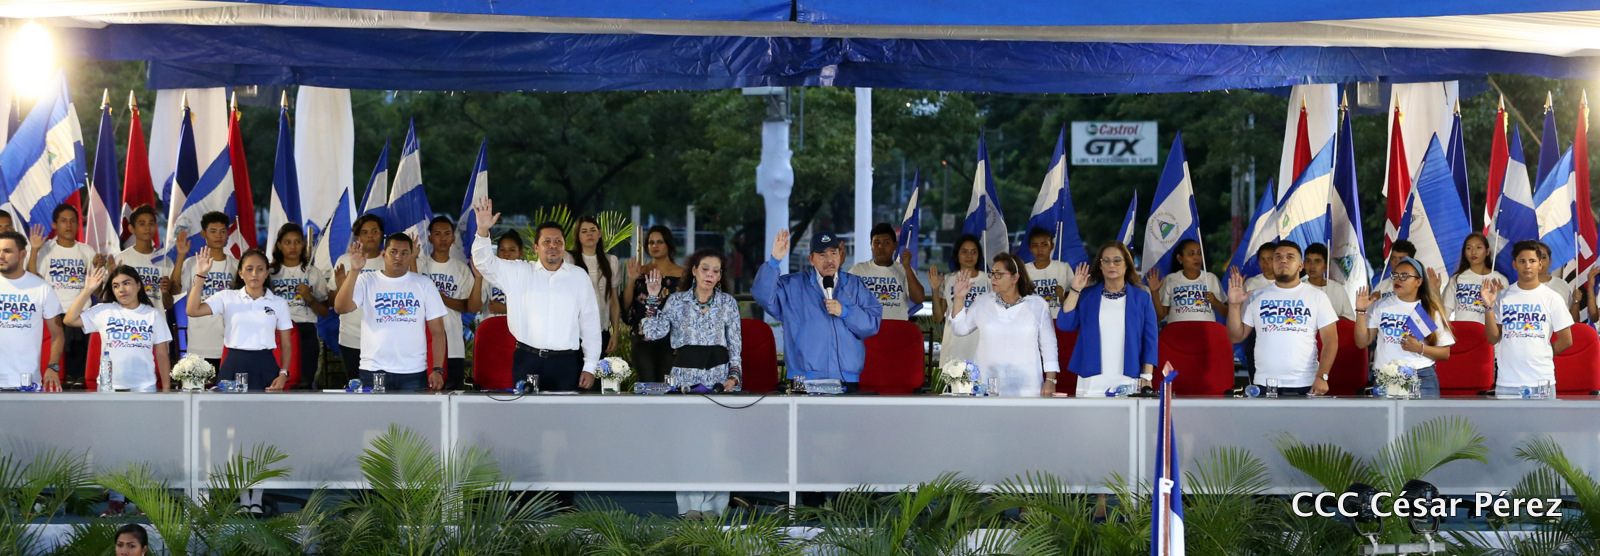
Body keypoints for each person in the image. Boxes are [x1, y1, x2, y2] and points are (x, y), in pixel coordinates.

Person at [640, 248, 741, 518]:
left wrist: (734, 377)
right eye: (705, 268)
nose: (710, 274)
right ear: (694, 271)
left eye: (715, 271)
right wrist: (653, 297)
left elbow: (735, 346)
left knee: (717, 445)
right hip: (685, 378)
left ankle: (715, 506)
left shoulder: (728, 303)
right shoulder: (676, 300)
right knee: (689, 444)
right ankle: (691, 506)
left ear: (720, 276)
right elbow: (653, 333)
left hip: (719, 378)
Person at [471, 199, 601, 391]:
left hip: (566, 363)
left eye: (558, 241)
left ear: (564, 245)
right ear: (536, 247)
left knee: (566, 410)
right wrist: (482, 231)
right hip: (527, 360)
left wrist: (590, 366)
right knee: (526, 411)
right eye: (546, 241)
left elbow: (590, 325)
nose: (553, 245)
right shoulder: (519, 272)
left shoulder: (579, 277)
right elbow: (484, 263)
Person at [753, 229, 882, 389]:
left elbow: (872, 324)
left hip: (847, 377)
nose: (829, 260)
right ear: (811, 259)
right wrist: (774, 261)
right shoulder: (793, 285)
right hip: (803, 377)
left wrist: (845, 312)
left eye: (833, 253)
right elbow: (762, 295)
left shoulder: (854, 285)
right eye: (822, 255)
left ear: (840, 255)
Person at [333, 233, 448, 392]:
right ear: (383, 254)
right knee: (376, 410)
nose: (398, 257)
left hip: (413, 372)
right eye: (393, 252)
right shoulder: (366, 280)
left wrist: (437, 369)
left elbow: (438, 332)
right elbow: (341, 308)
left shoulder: (425, 284)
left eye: (404, 253)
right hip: (374, 369)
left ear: (411, 256)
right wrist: (354, 270)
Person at [1227, 240, 1338, 395]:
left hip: (1306, 382)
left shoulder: (1317, 297)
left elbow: (1330, 341)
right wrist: (1234, 305)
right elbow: (1236, 337)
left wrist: (1322, 376)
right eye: (1278, 257)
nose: (1283, 260)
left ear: (1301, 266)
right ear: (1273, 264)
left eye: (1290, 257)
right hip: (1265, 383)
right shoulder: (1256, 295)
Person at [947, 252, 1059, 396]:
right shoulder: (982, 302)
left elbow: (1049, 345)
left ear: (1015, 278)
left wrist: (1050, 380)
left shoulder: (1038, 305)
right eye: (992, 273)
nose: (993, 278)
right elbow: (960, 329)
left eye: (999, 274)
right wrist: (959, 298)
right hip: (987, 384)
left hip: (1027, 385)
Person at [1057, 242, 1157, 397]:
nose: (1111, 265)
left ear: (1127, 264)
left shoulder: (1142, 298)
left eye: (1117, 260)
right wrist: (1075, 290)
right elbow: (1065, 324)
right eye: (1106, 261)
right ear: (1100, 266)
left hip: (1129, 374)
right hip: (1091, 375)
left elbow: (1150, 340)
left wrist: (1147, 376)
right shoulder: (1087, 296)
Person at [188, 248, 294, 391]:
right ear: (241, 273)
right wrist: (201, 275)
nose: (254, 274)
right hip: (234, 363)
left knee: (266, 405)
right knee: (230, 406)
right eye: (249, 269)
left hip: (265, 365)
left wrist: (283, 373)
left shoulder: (279, 303)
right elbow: (192, 310)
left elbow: (286, 343)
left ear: (267, 273)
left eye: (260, 269)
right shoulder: (227, 297)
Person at [1353, 256, 1454, 397]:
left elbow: (1445, 353)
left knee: (1424, 413)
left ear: (1418, 282)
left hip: (1421, 377)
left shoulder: (1429, 310)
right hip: (1386, 376)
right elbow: (1362, 342)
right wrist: (1361, 311)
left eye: (1405, 276)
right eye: (1395, 275)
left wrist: (1420, 348)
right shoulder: (1381, 305)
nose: (1398, 279)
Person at [1484, 240, 1574, 396]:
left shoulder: (1552, 297)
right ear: (1514, 264)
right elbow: (1493, 339)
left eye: (1532, 261)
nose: (1527, 265)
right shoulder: (1502, 297)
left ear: (1540, 264)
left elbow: (1566, 340)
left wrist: (1543, 354)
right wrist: (1489, 307)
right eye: (1522, 261)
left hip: (1541, 381)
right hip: (1508, 382)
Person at [27, 205, 103, 386]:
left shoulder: (87, 251)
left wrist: (100, 268)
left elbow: (97, 291)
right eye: (63, 221)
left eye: (72, 221)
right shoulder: (45, 249)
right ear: (54, 225)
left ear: (78, 224)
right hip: (54, 315)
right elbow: (33, 280)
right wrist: (35, 250)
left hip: (80, 315)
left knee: (80, 375)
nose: (68, 225)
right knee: (59, 370)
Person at [65, 265, 173, 391]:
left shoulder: (153, 314)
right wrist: (87, 290)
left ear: (138, 285)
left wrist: (166, 389)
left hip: (144, 387)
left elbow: (162, 354)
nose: (121, 289)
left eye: (126, 283)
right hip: (109, 387)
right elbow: (69, 320)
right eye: (116, 286)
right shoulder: (104, 310)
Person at [172, 211, 239, 367]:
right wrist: (181, 255)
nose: (218, 236)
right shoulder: (191, 263)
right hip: (198, 345)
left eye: (222, 231)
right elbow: (174, 290)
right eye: (213, 231)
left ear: (227, 234)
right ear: (204, 234)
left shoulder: (237, 265)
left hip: (228, 344)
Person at [268, 223, 330, 389]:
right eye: (287, 242)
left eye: (297, 242)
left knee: (303, 381)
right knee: (275, 380)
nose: (293, 247)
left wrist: (309, 298)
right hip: (275, 331)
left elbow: (325, 312)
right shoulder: (270, 273)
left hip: (305, 331)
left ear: (303, 244)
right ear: (279, 245)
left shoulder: (313, 272)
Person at [0, 231, 65, 391]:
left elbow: (57, 335)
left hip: (27, 382)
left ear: (23, 254)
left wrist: (53, 367)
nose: (1, 256)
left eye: (7, 251)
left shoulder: (42, 288)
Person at [415, 216, 474, 390]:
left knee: (452, 394)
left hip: (453, 344)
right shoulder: (419, 264)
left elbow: (467, 306)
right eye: (437, 234)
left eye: (447, 234)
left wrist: (439, 298)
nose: (442, 238)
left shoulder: (461, 268)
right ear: (430, 237)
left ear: (453, 238)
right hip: (423, 346)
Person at [623, 225, 683, 383]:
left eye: (660, 242)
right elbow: (627, 306)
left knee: (668, 385)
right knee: (646, 384)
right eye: (651, 242)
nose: (655, 246)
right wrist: (631, 280)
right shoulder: (640, 272)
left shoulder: (682, 274)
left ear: (668, 244)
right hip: (643, 338)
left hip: (671, 340)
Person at [331, 214, 386, 381]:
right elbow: (331, 302)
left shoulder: (389, 261)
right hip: (351, 337)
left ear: (382, 234)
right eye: (365, 232)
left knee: (382, 387)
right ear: (357, 237)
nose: (370, 236)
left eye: (375, 231)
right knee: (356, 386)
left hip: (383, 337)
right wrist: (341, 288)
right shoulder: (345, 261)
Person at [847, 222, 926, 321]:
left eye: (886, 243)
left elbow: (919, 299)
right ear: (871, 245)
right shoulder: (858, 270)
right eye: (876, 242)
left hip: (896, 328)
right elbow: (842, 295)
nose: (881, 246)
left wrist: (907, 267)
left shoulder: (905, 270)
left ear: (895, 245)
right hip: (867, 328)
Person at [930, 234, 989, 365]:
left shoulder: (989, 280)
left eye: (974, 252)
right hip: (954, 347)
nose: (969, 256)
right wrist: (935, 289)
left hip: (981, 348)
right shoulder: (948, 279)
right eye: (964, 251)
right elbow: (938, 317)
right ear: (957, 255)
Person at [568, 215, 623, 353]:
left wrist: (615, 333)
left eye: (593, 230)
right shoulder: (569, 260)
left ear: (599, 234)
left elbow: (613, 300)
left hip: (601, 330)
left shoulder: (611, 261)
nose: (589, 234)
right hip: (574, 332)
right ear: (578, 236)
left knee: (597, 367)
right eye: (584, 231)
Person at [1148, 238, 1225, 323]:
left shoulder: (1211, 278)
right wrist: (1154, 292)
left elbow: (1226, 313)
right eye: (1191, 254)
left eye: (1199, 253)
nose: (1197, 257)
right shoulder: (1171, 279)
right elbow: (1161, 315)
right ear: (1180, 258)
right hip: (1178, 329)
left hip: (1205, 329)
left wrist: (1216, 302)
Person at [1444, 233, 1508, 324]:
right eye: (1469, 248)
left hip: (1487, 332)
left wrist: (1499, 298)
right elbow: (1444, 312)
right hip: (1462, 331)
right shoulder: (1457, 279)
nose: (1473, 252)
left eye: (1478, 247)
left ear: (1487, 251)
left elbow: (1506, 316)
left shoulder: (1500, 280)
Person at [467, 230, 524, 319]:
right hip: (491, 326)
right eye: (502, 250)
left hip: (517, 328)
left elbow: (536, 310)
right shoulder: (490, 276)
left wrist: (506, 309)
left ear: (520, 253)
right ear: (497, 252)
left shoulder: (526, 276)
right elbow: (473, 309)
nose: (506, 254)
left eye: (512, 250)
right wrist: (478, 277)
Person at [1024, 227, 1072, 315]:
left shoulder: (1063, 267)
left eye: (1044, 245)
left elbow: (1074, 298)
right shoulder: (1024, 270)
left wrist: (1061, 297)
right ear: (1030, 248)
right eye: (1035, 245)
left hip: (1058, 318)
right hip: (1034, 319)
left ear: (1052, 246)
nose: (1040, 250)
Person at [1303, 243, 1357, 321]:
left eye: (1317, 261)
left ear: (1327, 264)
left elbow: (1350, 319)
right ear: (1303, 264)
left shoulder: (1338, 289)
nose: (1312, 266)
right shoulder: (1299, 288)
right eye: (1308, 261)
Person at [1534, 243, 1579, 321]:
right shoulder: (1519, 288)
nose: (1540, 261)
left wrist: (1575, 302)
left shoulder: (1562, 286)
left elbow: (1574, 321)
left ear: (1550, 260)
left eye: (1543, 257)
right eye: (1535, 257)